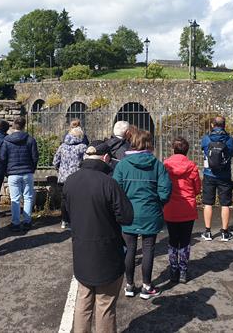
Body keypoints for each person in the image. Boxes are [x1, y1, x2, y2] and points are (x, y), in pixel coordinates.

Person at [64, 141, 134, 333]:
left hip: (81, 249)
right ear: (105, 158)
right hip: (107, 251)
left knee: (83, 300)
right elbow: (127, 216)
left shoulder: (71, 181)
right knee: (105, 305)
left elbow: (67, 214)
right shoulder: (109, 183)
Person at [113, 130, 172, 300]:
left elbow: (115, 190)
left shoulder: (123, 165)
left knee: (130, 249)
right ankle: (147, 286)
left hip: (128, 213)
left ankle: (130, 285)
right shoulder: (157, 165)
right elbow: (165, 190)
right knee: (148, 249)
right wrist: (158, 203)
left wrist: (122, 206)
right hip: (150, 212)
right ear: (148, 144)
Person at [163, 137, 201, 284]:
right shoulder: (191, 166)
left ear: (173, 149)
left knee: (173, 240)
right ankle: (183, 271)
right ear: (187, 150)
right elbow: (197, 188)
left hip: (171, 208)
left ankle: (173, 270)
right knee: (185, 241)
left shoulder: (165, 165)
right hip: (187, 208)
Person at [200, 115, 233, 242]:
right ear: (224, 125)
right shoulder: (230, 140)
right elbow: (232, 153)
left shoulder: (206, 139)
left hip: (209, 174)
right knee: (225, 204)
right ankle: (225, 233)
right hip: (225, 176)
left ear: (212, 125)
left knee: (208, 203)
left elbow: (204, 151)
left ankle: (208, 232)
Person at [0, 116, 39, 233]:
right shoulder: (30, 139)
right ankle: (27, 222)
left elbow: (2, 158)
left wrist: (7, 172)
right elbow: (35, 157)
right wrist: (31, 169)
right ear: (24, 126)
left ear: (13, 125)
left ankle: (15, 223)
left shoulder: (6, 140)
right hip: (27, 172)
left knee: (15, 199)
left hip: (13, 173)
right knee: (28, 197)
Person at [53, 126, 88, 229]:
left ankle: (64, 220)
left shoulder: (62, 146)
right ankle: (76, 220)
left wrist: (59, 170)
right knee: (78, 199)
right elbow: (86, 161)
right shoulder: (82, 147)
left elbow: (55, 161)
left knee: (64, 199)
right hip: (78, 178)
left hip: (63, 178)